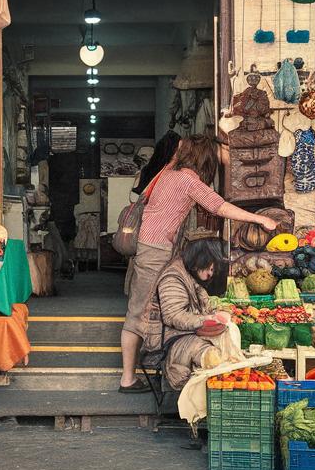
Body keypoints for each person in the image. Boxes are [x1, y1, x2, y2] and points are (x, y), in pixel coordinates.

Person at [118, 134, 276, 393]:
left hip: (156, 248)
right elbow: (219, 207)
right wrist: (259, 220)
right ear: (205, 160)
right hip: (154, 250)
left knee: (150, 308)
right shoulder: (187, 180)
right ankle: (127, 379)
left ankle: (152, 366)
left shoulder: (168, 171)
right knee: (138, 312)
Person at [143, 238, 232, 391]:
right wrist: (206, 319)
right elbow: (174, 316)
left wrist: (215, 313)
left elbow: (203, 305)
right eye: (210, 267)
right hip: (168, 339)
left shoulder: (190, 273)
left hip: (185, 332)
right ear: (201, 260)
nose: (212, 272)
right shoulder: (173, 279)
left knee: (229, 336)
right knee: (209, 354)